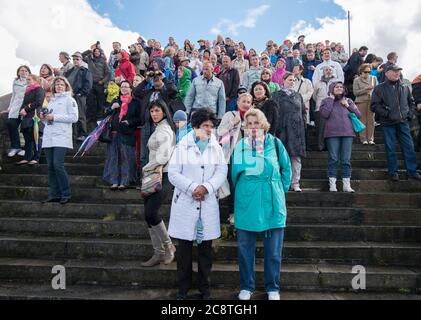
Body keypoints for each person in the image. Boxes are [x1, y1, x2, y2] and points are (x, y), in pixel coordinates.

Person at [231, 108, 291, 301]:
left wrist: (280, 188)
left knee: (273, 251)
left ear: (263, 124)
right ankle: (247, 286)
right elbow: (234, 174)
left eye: (256, 122)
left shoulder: (275, 142)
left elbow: (286, 167)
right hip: (248, 199)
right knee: (244, 248)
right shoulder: (241, 145)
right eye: (249, 124)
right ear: (245, 127)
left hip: (273, 199)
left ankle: (273, 287)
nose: (253, 127)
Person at [168, 108, 227, 300]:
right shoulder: (182, 146)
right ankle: (183, 289)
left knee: (205, 251)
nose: (209, 129)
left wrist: (206, 187)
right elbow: (173, 173)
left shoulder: (216, 147)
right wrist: (193, 188)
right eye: (205, 126)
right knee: (184, 251)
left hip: (207, 203)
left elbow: (221, 171)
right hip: (186, 201)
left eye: (211, 126)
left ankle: (204, 288)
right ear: (195, 127)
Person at [141, 99, 177, 267]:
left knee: (151, 213)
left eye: (157, 110)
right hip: (153, 174)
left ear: (164, 111)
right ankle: (158, 252)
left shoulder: (164, 130)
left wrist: (147, 168)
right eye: (152, 111)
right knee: (148, 215)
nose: (154, 114)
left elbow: (164, 155)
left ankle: (168, 246)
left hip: (162, 174)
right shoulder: (159, 129)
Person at [371, 65, 421, 182]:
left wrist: (409, 114)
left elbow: (412, 103)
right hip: (387, 123)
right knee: (390, 148)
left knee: (409, 147)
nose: (397, 73)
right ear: (387, 73)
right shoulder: (379, 88)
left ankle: (412, 172)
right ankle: (393, 172)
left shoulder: (405, 87)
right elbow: (374, 106)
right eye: (394, 71)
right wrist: (387, 114)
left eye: (398, 71)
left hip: (403, 122)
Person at [41, 76, 79, 205]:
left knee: (58, 165)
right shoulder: (50, 101)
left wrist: (54, 117)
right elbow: (48, 120)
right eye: (57, 84)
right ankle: (54, 194)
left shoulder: (70, 100)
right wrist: (44, 118)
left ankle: (66, 193)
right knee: (50, 167)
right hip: (48, 137)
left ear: (66, 86)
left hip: (61, 137)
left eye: (61, 84)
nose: (59, 86)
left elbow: (74, 117)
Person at [320, 82, 362, 192]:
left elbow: (358, 115)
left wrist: (348, 106)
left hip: (347, 133)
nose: (339, 89)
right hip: (332, 134)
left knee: (346, 159)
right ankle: (332, 184)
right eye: (336, 87)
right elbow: (324, 114)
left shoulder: (348, 101)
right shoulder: (326, 101)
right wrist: (330, 100)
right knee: (333, 158)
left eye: (341, 87)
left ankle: (346, 184)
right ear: (331, 89)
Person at [103, 81, 141, 190]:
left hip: (128, 133)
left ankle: (125, 181)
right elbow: (105, 115)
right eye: (122, 87)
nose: (124, 88)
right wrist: (111, 108)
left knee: (126, 158)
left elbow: (139, 118)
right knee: (113, 157)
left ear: (131, 89)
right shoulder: (116, 101)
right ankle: (114, 181)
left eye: (126, 87)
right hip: (114, 133)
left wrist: (129, 122)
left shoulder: (135, 102)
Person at [272, 73, 307, 192]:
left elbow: (303, 112)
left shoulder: (298, 96)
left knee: (296, 158)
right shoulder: (276, 95)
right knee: (281, 157)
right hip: (282, 130)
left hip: (297, 131)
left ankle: (295, 183)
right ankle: (282, 182)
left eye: (294, 80)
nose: (292, 82)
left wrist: (303, 125)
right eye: (290, 80)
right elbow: (274, 113)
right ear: (283, 81)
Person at [16, 74, 46, 166]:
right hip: (26, 117)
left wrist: (26, 109)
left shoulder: (39, 89)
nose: (27, 81)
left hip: (35, 116)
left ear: (35, 80)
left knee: (36, 137)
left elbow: (39, 102)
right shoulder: (27, 91)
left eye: (29, 79)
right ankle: (27, 158)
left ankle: (36, 158)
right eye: (27, 79)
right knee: (27, 139)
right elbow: (24, 103)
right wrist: (21, 111)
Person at [64, 52, 93, 142]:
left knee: (80, 114)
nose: (75, 61)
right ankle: (73, 134)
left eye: (77, 59)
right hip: (69, 96)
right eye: (74, 59)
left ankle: (82, 134)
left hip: (79, 96)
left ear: (81, 60)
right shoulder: (69, 71)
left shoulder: (84, 71)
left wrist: (82, 93)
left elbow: (88, 84)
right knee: (69, 114)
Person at [5, 65, 30, 158]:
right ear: (18, 72)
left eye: (26, 71)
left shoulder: (30, 81)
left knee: (26, 128)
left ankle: (25, 149)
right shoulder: (15, 82)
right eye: (22, 70)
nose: (24, 72)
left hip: (26, 107)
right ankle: (15, 147)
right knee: (11, 123)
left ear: (28, 72)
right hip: (15, 107)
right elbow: (13, 95)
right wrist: (10, 107)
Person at [313, 66, 337, 151]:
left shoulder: (336, 82)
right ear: (323, 72)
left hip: (334, 108)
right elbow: (314, 96)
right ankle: (320, 147)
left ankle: (331, 147)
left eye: (330, 69)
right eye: (326, 70)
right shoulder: (318, 83)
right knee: (321, 129)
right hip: (320, 109)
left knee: (332, 129)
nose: (328, 71)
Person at [83, 47, 110, 124]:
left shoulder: (103, 61)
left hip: (99, 83)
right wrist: (88, 51)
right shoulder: (89, 59)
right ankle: (90, 117)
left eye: (98, 51)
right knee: (90, 101)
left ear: (100, 52)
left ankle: (100, 117)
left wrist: (103, 81)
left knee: (100, 101)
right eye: (95, 51)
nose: (97, 52)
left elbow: (108, 73)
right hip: (90, 83)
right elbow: (81, 56)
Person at [353, 63, 378, 145]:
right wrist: (365, 89)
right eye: (365, 72)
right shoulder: (356, 80)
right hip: (361, 101)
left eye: (369, 72)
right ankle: (363, 139)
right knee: (362, 120)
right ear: (361, 72)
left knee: (371, 120)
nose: (367, 73)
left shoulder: (373, 78)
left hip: (371, 101)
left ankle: (371, 139)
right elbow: (355, 92)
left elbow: (377, 91)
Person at [412, 75, 421, 151]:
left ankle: (418, 146)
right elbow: (418, 103)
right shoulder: (418, 82)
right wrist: (418, 102)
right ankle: (418, 146)